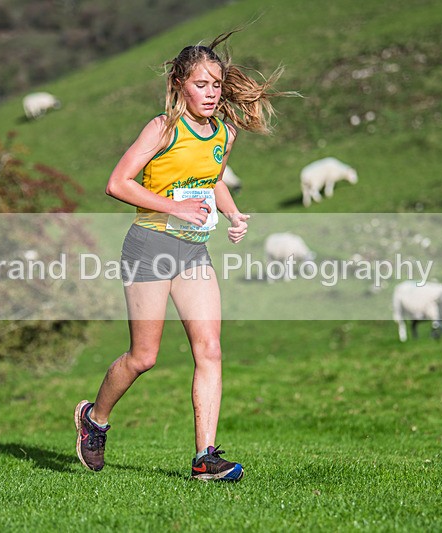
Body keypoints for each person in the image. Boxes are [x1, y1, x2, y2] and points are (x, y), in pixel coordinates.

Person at [75, 30, 295, 481]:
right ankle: (94, 420)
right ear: (179, 84)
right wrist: (174, 206)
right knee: (144, 357)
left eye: (216, 84)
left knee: (210, 349)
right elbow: (118, 183)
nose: (210, 93)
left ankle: (205, 458)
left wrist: (232, 214)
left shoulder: (223, 134)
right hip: (149, 247)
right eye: (201, 84)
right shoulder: (162, 128)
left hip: (193, 251)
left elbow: (210, 176)